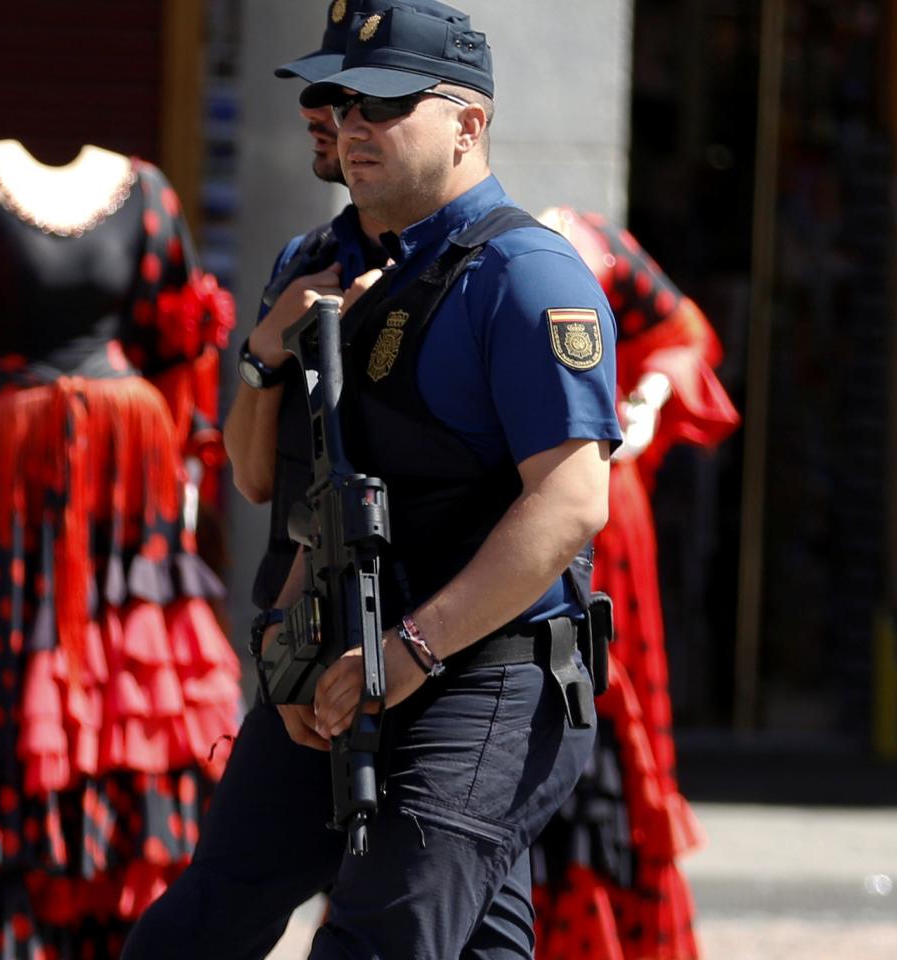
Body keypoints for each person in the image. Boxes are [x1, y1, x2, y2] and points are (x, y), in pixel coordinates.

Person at [124, 2, 621, 957]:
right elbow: (288, 484)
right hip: (336, 649)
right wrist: (267, 353)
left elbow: (570, 503)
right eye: (341, 102)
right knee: (201, 921)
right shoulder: (318, 261)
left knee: (378, 937)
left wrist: (408, 653)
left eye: (383, 107)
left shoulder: (525, 276)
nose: (351, 126)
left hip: (480, 671)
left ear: (468, 123)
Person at [0, 137, 240, 957]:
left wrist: (192, 487)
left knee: (119, 680)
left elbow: (181, 348)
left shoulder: (149, 191)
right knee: (3, 678)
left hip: (125, 481)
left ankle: (126, 915)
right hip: (6, 479)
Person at [528, 207, 739, 960]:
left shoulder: (596, 241)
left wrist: (645, 402)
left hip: (604, 519)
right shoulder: (435, 249)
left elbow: (688, 336)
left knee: (603, 707)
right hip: (489, 518)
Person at [226, 0, 391, 627]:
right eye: (314, 91)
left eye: (341, 94)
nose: (311, 113)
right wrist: (265, 349)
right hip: (294, 625)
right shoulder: (306, 259)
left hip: (403, 633)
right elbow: (252, 478)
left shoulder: (462, 266)